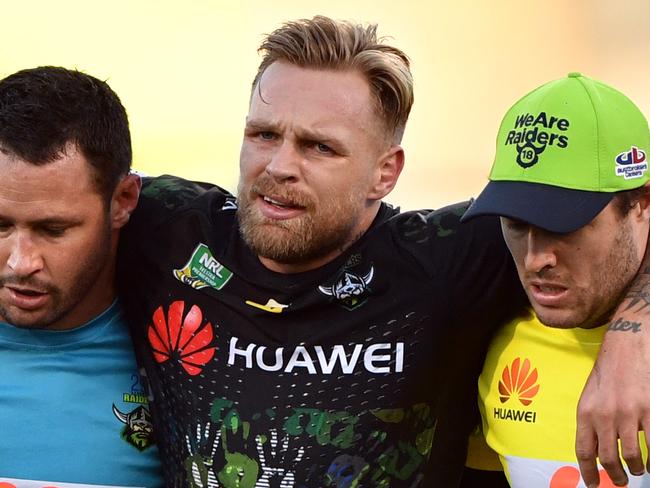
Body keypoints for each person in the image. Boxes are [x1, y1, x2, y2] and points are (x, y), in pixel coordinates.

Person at [117, 17, 650, 488]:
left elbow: (616, 219)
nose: (279, 165)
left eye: (319, 147)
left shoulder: (449, 260)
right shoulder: (165, 228)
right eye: (263, 134)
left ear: (385, 172)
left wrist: (632, 335)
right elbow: (49, 187)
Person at [461, 73, 650, 487]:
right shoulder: (490, 335)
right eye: (514, 224)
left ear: (641, 204)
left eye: (564, 226)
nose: (535, 259)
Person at [0, 66, 164, 486]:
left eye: (53, 230)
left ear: (123, 200)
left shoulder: (190, 349)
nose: (21, 262)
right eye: (0, 225)